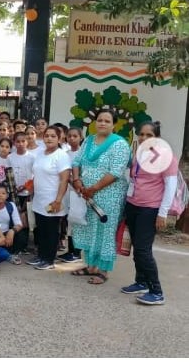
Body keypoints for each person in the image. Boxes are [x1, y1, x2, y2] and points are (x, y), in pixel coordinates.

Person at [71, 109, 131, 284]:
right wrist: (77, 180)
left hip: (109, 195)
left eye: (107, 121)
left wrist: (93, 188)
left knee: (105, 230)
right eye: (99, 120)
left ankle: (103, 270)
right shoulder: (88, 140)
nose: (102, 123)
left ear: (114, 124)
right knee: (89, 228)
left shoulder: (119, 144)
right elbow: (76, 161)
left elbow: (115, 172)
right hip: (87, 194)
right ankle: (90, 266)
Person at [122, 121, 176, 305]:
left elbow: (170, 185)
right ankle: (141, 282)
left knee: (143, 250)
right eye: (141, 134)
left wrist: (163, 213)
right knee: (137, 247)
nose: (144, 138)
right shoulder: (140, 153)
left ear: (157, 137)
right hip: (133, 205)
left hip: (150, 208)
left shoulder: (165, 156)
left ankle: (156, 291)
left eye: (149, 135)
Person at [27, 126, 71, 271]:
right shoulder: (41, 153)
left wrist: (58, 200)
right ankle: (41, 256)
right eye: (47, 136)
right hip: (39, 198)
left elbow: (64, 180)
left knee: (51, 230)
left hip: (53, 200)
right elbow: (36, 173)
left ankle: (49, 259)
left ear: (59, 139)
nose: (49, 139)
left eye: (53, 136)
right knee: (41, 229)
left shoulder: (62, 155)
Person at [58, 127, 84, 263]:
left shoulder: (83, 154)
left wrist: (74, 180)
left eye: (75, 136)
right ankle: (70, 251)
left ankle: (76, 252)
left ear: (81, 138)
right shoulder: (64, 154)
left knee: (76, 221)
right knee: (69, 221)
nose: (72, 138)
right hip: (66, 192)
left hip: (78, 192)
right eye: (69, 136)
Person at [0, 183, 25, 264]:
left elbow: (19, 224)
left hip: (7, 236)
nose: (0, 195)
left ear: (7, 195)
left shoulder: (11, 205)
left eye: (3, 193)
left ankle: (7, 252)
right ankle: (6, 254)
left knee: (21, 236)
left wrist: (12, 231)